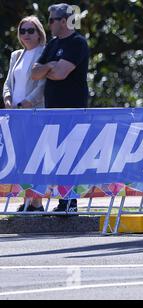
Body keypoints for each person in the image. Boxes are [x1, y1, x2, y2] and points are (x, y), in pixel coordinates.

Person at [31, 3, 90, 213]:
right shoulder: (53, 44)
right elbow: (34, 72)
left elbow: (61, 73)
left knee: (70, 155)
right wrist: (50, 65)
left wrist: (49, 68)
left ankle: (69, 202)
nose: (49, 24)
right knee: (55, 155)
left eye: (51, 20)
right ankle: (61, 200)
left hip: (72, 108)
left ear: (63, 21)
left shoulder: (77, 43)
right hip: (52, 109)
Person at [2, 16, 47, 212]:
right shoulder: (16, 55)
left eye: (31, 30)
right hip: (16, 114)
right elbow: (7, 83)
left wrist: (29, 102)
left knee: (34, 158)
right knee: (22, 157)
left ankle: (37, 202)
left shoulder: (44, 53)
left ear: (39, 33)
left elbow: (43, 85)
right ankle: (28, 200)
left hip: (34, 113)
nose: (26, 35)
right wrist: (8, 98)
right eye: (23, 31)